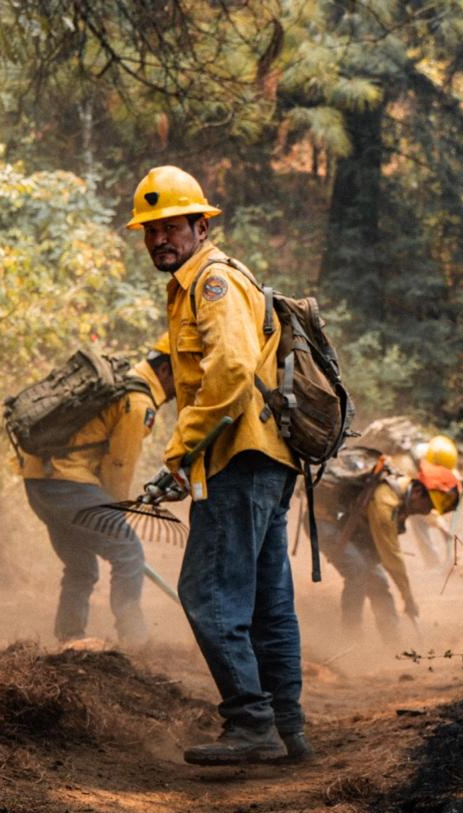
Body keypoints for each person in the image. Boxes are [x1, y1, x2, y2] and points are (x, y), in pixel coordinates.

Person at [126, 165, 311, 766]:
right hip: (260, 459)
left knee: (206, 592)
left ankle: (251, 723)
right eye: (150, 230)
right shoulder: (193, 285)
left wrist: (179, 450)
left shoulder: (212, 282)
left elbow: (230, 372)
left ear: (200, 227)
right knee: (265, 602)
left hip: (241, 460)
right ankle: (289, 729)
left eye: (171, 227)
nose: (159, 239)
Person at [21, 337, 175, 646]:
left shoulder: (122, 382)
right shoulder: (138, 403)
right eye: (187, 372)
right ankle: (135, 640)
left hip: (38, 480)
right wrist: (117, 514)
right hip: (67, 484)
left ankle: (69, 637)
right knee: (127, 549)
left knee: (81, 566)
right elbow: (118, 466)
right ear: (165, 370)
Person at [316, 436, 463, 644]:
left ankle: (394, 644)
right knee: (358, 571)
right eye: (429, 505)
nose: (427, 511)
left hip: (346, 527)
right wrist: (408, 597)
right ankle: (351, 638)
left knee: (378, 583)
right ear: (418, 492)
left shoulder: (403, 486)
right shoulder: (386, 504)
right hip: (322, 521)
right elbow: (391, 557)